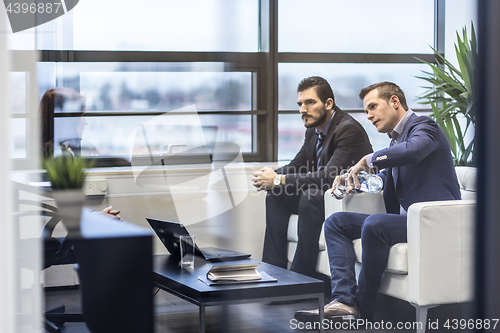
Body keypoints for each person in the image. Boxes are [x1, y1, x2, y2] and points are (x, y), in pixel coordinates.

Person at [294, 81, 461, 322]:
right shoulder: (395, 141)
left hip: (433, 221)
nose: (369, 115)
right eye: (366, 110)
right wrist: (356, 181)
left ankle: (363, 306)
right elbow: (386, 178)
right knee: (335, 222)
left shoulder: (424, 126)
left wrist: (370, 159)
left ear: (394, 101)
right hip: (406, 221)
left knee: (375, 224)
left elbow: (413, 152)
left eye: (373, 107)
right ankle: (343, 300)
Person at [251, 76, 372, 286]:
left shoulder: (348, 129)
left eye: (310, 102)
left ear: (328, 103)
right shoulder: (313, 130)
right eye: (300, 104)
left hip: (351, 199)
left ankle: (299, 280)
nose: (302, 110)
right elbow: (297, 164)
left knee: (311, 196)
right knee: (277, 194)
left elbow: (328, 177)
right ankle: (273, 272)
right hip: (325, 196)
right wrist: (270, 177)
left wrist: (278, 179)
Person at [39, 88, 121, 220]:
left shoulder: (52, 150)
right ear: (66, 118)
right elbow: (61, 216)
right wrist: (98, 219)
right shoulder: (58, 155)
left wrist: (97, 216)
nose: (85, 122)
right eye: (80, 116)